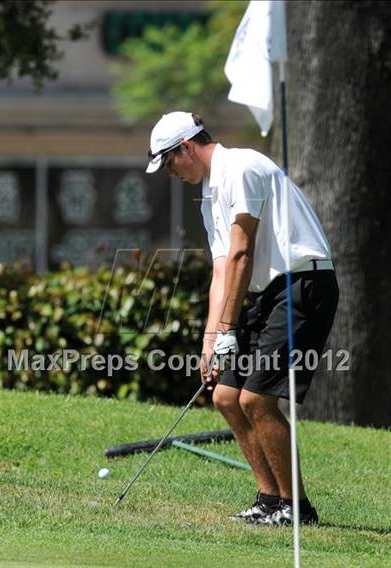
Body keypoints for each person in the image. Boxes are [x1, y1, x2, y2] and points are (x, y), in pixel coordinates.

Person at [146, 111, 339, 526]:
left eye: (168, 162)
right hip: (268, 293)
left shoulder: (243, 166)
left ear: (186, 147)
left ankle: (297, 509)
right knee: (226, 396)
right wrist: (210, 341)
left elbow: (242, 252)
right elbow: (222, 269)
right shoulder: (210, 195)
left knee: (256, 398)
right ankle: (269, 500)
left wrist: (229, 328)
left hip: (303, 285)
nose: (170, 173)